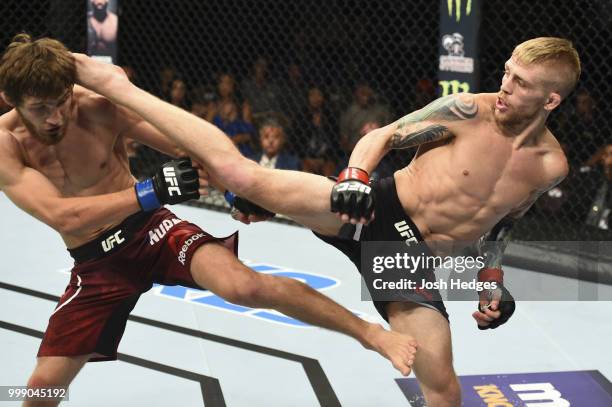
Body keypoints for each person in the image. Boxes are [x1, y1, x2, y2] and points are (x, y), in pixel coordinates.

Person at [73, 36, 579, 406]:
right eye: (508, 71)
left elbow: (503, 222)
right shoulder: (469, 110)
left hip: (408, 259)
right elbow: (384, 135)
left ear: (551, 100)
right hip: (373, 207)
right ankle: (122, 89)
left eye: (521, 82)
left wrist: (491, 279)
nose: (505, 85)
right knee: (241, 175)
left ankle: (271, 205)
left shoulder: (549, 166)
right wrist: (356, 175)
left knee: (445, 393)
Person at [0, 35, 418, 406]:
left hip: (151, 229)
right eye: (41, 108)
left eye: (62, 101)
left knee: (244, 285)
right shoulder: (5, 145)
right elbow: (60, 213)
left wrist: (239, 189)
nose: (56, 116)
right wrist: (147, 191)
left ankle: (370, 334)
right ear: (10, 99)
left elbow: (190, 146)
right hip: (95, 262)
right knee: (41, 390)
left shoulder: (96, 108)